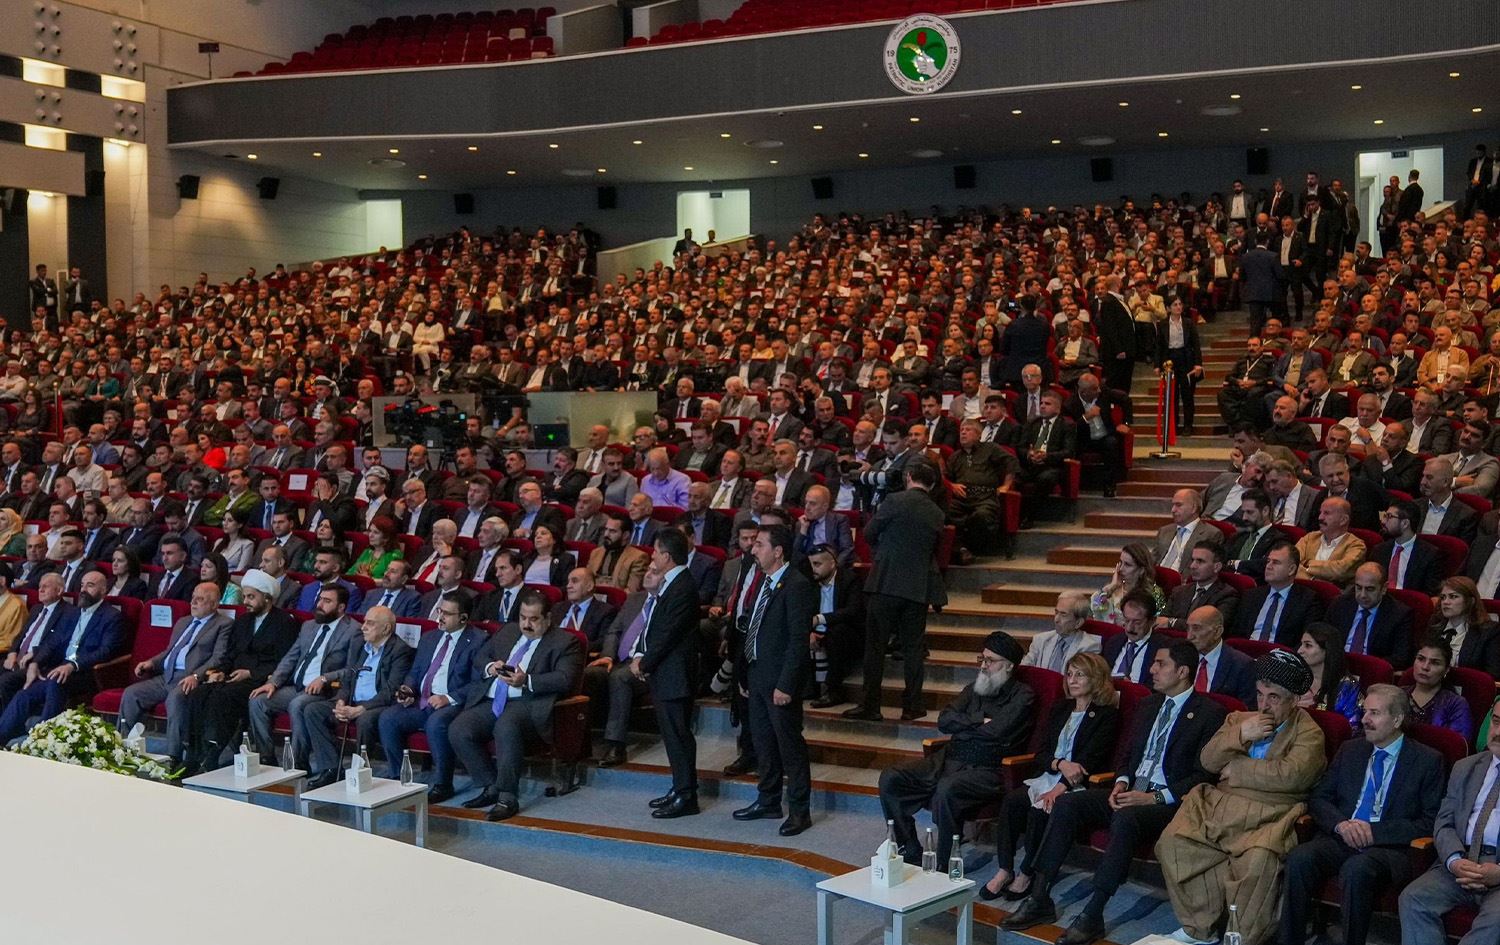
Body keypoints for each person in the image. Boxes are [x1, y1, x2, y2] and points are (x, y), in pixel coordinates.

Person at [1003, 641, 1227, 943]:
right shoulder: (1148, 705)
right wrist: (1121, 781)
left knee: (1126, 818)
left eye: (1160, 664)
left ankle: (1094, 912)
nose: (1152, 669)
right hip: (1132, 790)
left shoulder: (1210, 713)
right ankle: (1040, 896)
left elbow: (1203, 775)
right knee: (1068, 804)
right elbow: (1128, 755)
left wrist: (1151, 798)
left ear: (1183, 671)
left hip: (1168, 801)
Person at [1155, 651, 1328, 945]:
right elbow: (1209, 761)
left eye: (1274, 697)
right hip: (1219, 806)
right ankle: (1199, 927)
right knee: (1173, 842)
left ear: (1294, 700)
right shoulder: (1239, 719)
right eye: (1260, 695)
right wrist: (1240, 734)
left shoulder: (1309, 732)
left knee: (1258, 862)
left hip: (1269, 814)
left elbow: (1291, 776)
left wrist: (1237, 768)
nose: (1264, 705)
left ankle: (1242, 938)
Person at [1282, 684, 1446, 945]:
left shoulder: (1427, 761)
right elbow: (1320, 797)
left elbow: (1429, 822)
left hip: (1388, 848)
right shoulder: (1351, 750)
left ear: (1397, 720)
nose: (1364, 719)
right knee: (1300, 857)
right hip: (1342, 837)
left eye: (1374, 713)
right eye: (1364, 711)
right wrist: (1341, 825)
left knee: (1356, 869)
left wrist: (1374, 832)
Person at [879, 631, 1036, 871]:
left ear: (1009, 666)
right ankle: (908, 848)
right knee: (891, 777)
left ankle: (945, 864)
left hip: (989, 768)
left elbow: (997, 731)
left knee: (947, 788)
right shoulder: (974, 689)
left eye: (990, 660)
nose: (983, 665)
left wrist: (964, 726)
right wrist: (979, 720)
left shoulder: (1023, 695)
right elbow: (944, 720)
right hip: (950, 758)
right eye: (982, 659)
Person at [980, 652, 1121, 902]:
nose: (1072, 680)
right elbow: (1042, 753)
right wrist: (1059, 763)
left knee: (1041, 810)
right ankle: (1005, 869)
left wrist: (1060, 788)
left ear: (1096, 679)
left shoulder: (1106, 715)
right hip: (1049, 775)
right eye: (1069, 674)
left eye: (1080, 675)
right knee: (1012, 801)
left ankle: (1027, 872)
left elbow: (1091, 760)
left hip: (1079, 785)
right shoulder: (1060, 708)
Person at [449, 587, 583, 821]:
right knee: (459, 728)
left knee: (506, 726)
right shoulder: (507, 631)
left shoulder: (565, 642)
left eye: (534, 619)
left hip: (528, 702)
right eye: (523, 618)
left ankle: (507, 797)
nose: (526, 625)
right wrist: (491, 667)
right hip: (493, 699)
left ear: (548, 618)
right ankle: (491, 785)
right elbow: (480, 657)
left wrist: (527, 680)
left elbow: (565, 679)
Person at [732, 523, 816, 836]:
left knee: (790, 748)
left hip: (780, 682)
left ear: (778, 551)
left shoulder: (796, 585)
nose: (753, 549)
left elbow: (798, 641)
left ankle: (799, 811)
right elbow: (753, 630)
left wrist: (787, 684)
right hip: (757, 675)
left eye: (760, 545)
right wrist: (745, 674)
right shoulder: (763, 581)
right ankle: (768, 800)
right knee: (763, 744)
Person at [847, 462, 946, 722]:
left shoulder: (894, 501)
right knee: (914, 649)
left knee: (875, 647)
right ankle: (913, 705)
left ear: (909, 477)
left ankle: (871, 705)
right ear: (932, 484)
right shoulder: (937, 512)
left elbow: (869, 533)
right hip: (917, 588)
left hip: (886, 583)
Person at [1397, 701, 1500, 945]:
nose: (1498, 732)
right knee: (1413, 899)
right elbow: (1444, 822)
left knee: (1496, 920)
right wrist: (1454, 861)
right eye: (1496, 722)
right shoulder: (1466, 767)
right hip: (1461, 860)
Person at [186, 570, 300, 773]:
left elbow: (284, 662)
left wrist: (250, 673)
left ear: (267, 598)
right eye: (245, 596)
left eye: (251, 597)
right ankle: (193, 752)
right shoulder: (243, 621)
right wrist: (219, 672)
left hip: (260, 680)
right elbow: (230, 655)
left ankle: (213, 752)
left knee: (223, 697)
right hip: (233, 677)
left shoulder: (285, 623)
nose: (245, 601)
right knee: (198, 693)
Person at [376, 590, 484, 800]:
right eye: (439, 611)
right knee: (388, 718)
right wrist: (408, 689)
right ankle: (397, 777)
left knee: (436, 723)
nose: (440, 617)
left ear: (463, 618)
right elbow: (415, 672)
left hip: (454, 703)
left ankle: (443, 784)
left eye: (447, 614)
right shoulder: (430, 637)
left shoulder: (478, 641)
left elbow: (478, 684)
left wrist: (447, 698)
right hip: (423, 700)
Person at [0, 568, 125, 743]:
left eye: (90, 585)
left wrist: (72, 665)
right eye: (82, 585)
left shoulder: (112, 617)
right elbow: (53, 643)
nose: (83, 590)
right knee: (24, 694)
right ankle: (2, 739)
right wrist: (36, 663)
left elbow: (106, 651)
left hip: (86, 672)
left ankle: (43, 739)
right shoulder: (73, 614)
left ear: (103, 590)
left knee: (55, 683)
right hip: (59, 669)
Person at [116, 581, 233, 764]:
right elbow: (170, 652)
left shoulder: (223, 624)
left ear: (214, 604)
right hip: (166, 675)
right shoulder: (183, 621)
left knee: (175, 699)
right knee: (132, 694)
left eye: (200, 599)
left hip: (190, 678)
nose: (193, 602)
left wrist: (197, 676)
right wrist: (152, 662)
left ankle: (173, 757)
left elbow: (218, 658)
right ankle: (121, 747)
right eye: (193, 598)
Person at [298, 605, 414, 788]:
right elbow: (349, 677)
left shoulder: (400, 650)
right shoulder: (359, 642)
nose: (363, 627)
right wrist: (341, 701)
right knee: (314, 710)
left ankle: (359, 772)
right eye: (364, 622)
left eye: (370, 623)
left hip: (378, 705)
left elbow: (390, 690)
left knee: (365, 720)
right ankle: (331, 769)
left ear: (386, 628)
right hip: (352, 701)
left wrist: (359, 709)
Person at [245, 584, 361, 764]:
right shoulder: (309, 626)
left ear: (341, 607)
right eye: (320, 599)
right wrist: (273, 682)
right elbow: (290, 658)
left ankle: (297, 763)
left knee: (297, 704)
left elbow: (353, 668)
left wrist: (325, 678)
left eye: (327, 601)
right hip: (297, 686)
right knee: (258, 701)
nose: (320, 604)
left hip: (326, 690)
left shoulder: (354, 630)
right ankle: (266, 757)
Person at [633, 528, 703, 819]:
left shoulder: (683, 586)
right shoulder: (673, 583)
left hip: (675, 673)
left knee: (678, 735)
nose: (652, 556)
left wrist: (644, 663)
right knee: (672, 736)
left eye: (655, 551)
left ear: (667, 556)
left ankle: (687, 795)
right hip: (666, 672)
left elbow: (668, 634)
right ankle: (679, 787)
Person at [1325, 561, 1415, 668]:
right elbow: (1323, 639)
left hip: (1371, 671)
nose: (1363, 595)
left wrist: (1367, 666)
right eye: (1358, 588)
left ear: (1384, 588)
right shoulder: (1340, 604)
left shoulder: (1400, 615)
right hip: (1336, 666)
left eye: (1369, 589)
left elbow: (1400, 658)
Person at [1404, 637, 1476, 743]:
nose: (1425, 667)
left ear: (1446, 670)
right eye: (1421, 659)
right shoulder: (1396, 695)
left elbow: (1458, 746)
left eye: (1435, 663)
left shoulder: (1455, 704)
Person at [1429, 576, 1500, 677]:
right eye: (1443, 597)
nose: (1445, 602)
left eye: (1453, 596)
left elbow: (1491, 676)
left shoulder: (1489, 632)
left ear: (1470, 601)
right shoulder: (1435, 626)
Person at [1297, 622, 1363, 729]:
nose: (1299, 651)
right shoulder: (1295, 676)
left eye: (1308, 645)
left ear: (1327, 650)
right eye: (1301, 644)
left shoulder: (1347, 688)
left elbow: (1351, 728)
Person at [1090, 543, 1167, 626]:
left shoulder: (1154, 593)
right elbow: (1095, 607)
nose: (1121, 568)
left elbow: (1159, 623)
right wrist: (1112, 586)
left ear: (1141, 570)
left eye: (1127, 565)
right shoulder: (1112, 591)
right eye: (1121, 562)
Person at [1024, 591, 1103, 672]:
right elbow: (1023, 669)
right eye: (1056, 612)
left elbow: (1081, 678)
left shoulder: (1089, 647)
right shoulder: (1040, 640)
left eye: (1063, 614)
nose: (1056, 619)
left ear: (1078, 623)